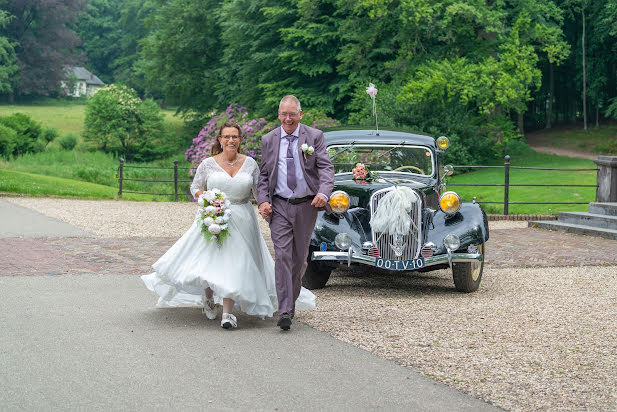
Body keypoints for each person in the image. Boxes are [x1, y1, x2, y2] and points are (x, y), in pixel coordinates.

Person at [141, 121, 315, 329]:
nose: (231, 140)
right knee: (212, 261)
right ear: (220, 140)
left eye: (235, 136)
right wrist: (207, 199)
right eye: (227, 136)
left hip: (243, 218)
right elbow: (195, 187)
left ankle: (227, 314)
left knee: (235, 263)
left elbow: (259, 191)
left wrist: (265, 206)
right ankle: (208, 296)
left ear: (240, 140)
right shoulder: (208, 163)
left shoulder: (250, 163)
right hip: (214, 215)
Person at [257, 95, 335, 330]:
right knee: (282, 256)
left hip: (306, 205)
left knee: (299, 259)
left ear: (300, 115)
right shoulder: (269, 139)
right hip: (279, 205)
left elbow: (325, 168)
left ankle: (289, 302)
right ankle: (285, 311)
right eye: (283, 114)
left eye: (292, 114)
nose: (288, 119)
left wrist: (324, 192)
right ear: (278, 115)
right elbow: (263, 176)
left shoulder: (314, 137)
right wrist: (263, 200)